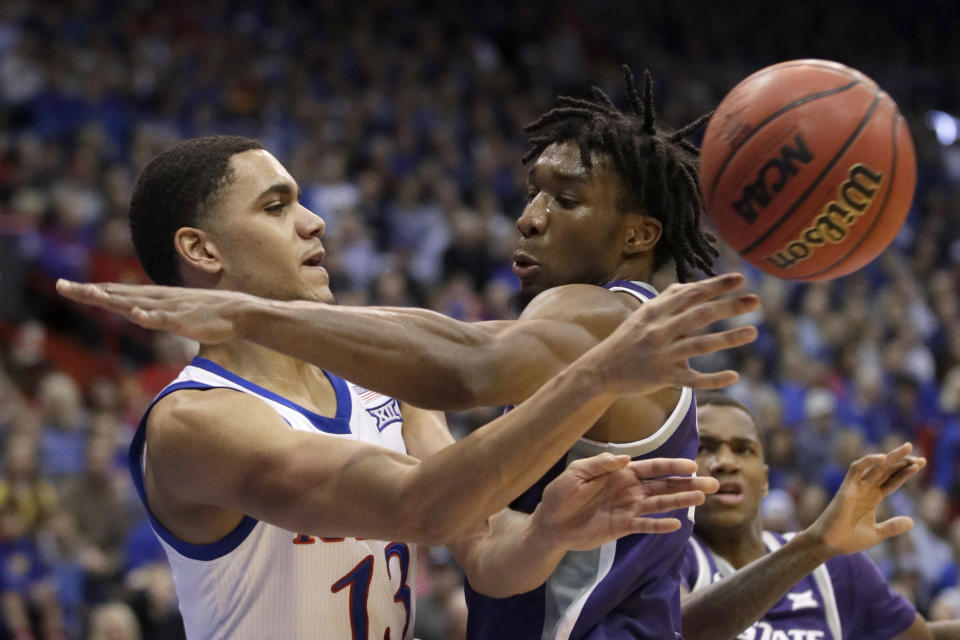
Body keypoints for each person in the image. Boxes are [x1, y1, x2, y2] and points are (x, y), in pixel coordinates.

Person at [58, 67, 745, 639]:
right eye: (274, 207)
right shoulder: (197, 424)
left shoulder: (378, 383)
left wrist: (545, 535)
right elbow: (421, 507)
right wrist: (596, 373)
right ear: (202, 251)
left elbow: (481, 550)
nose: (313, 220)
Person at [680, 393, 960, 639]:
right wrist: (815, 546)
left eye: (743, 450)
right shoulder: (664, 559)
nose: (726, 462)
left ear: (765, 480)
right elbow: (676, 630)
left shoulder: (836, 569)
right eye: (703, 448)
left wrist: (818, 549)